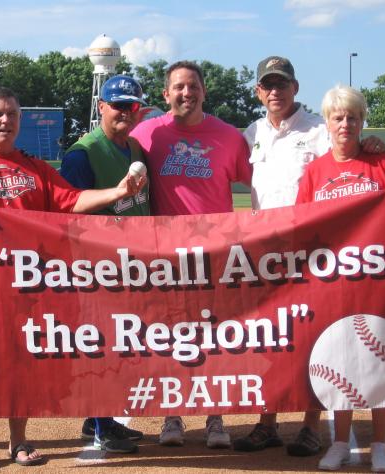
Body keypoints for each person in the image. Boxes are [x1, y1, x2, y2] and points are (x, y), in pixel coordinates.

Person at [0, 86, 146, 472]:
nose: (6, 121)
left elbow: (72, 201)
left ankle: (18, 440)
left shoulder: (35, 168)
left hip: (25, 277)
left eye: (13, 114)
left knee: (20, 359)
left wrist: (118, 191)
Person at [234, 56, 385, 457]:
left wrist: (371, 145)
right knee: (269, 340)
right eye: (267, 84)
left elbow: (348, 149)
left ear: (295, 88)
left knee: (309, 339)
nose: (275, 91)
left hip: (311, 254)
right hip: (264, 253)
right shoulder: (251, 133)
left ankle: (309, 425)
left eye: (281, 84)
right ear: (258, 92)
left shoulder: (321, 129)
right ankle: (266, 422)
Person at [295, 84, 385, 473]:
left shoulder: (382, 163)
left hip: (384, 283)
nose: (345, 123)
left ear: (362, 121)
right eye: (338, 116)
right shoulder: (315, 172)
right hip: (336, 285)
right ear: (327, 123)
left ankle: (381, 444)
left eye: (352, 116)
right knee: (339, 362)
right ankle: (340, 443)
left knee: (384, 362)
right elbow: (300, 228)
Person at [131, 60, 252, 448]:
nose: (187, 93)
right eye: (178, 87)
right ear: (166, 94)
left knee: (214, 335)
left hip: (215, 253)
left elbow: (263, 183)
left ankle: (216, 418)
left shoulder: (229, 137)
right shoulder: (147, 133)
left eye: (193, 86)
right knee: (171, 336)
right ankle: (173, 416)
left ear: (204, 90)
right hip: (164, 255)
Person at [60, 75, 149, 453]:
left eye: (131, 106)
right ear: (101, 107)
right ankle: (101, 427)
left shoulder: (135, 150)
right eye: (118, 105)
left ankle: (100, 419)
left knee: (121, 345)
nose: (125, 113)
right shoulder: (83, 153)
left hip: (132, 265)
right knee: (101, 347)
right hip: (97, 268)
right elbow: (67, 207)